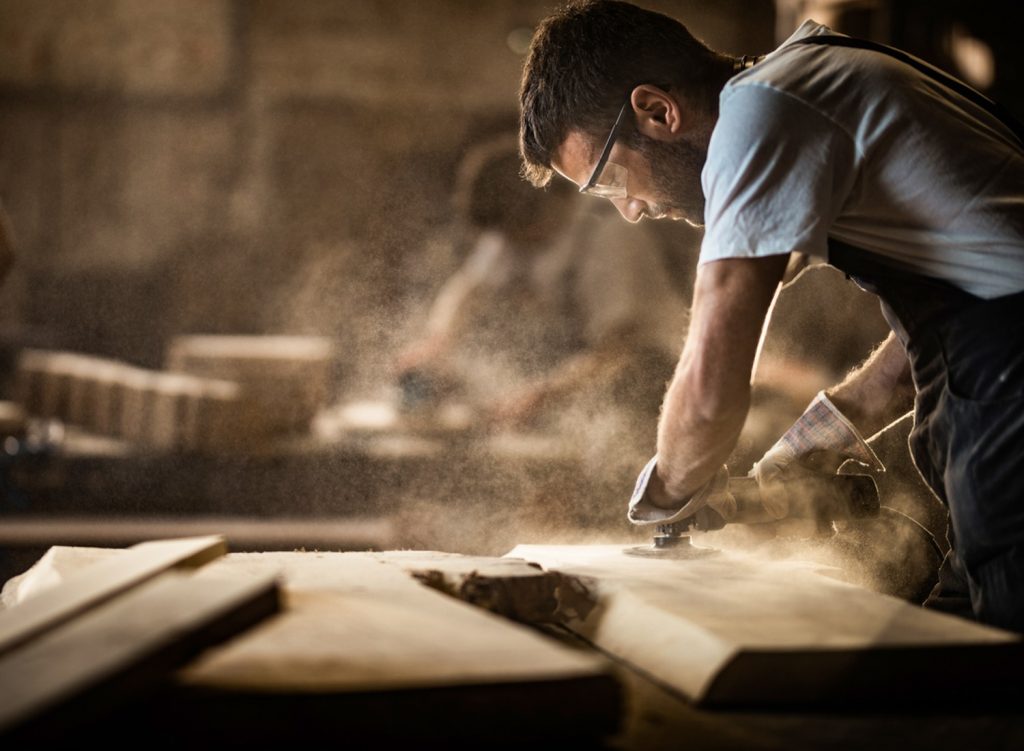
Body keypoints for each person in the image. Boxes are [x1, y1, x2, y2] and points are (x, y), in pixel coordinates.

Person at [518, 0, 1024, 629]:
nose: (631, 210)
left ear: (657, 111)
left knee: (996, 659)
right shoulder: (806, 81)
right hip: (999, 371)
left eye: (611, 180)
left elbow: (709, 392)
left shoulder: (761, 112)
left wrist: (668, 495)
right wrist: (825, 434)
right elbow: (953, 318)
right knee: (966, 632)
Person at [396, 135, 689, 480]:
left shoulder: (610, 236)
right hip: (579, 380)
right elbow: (468, 290)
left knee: (614, 471)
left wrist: (542, 394)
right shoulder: (516, 229)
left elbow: (619, 349)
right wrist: (438, 341)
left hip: (651, 380)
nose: (510, 246)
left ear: (546, 207)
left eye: (519, 234)